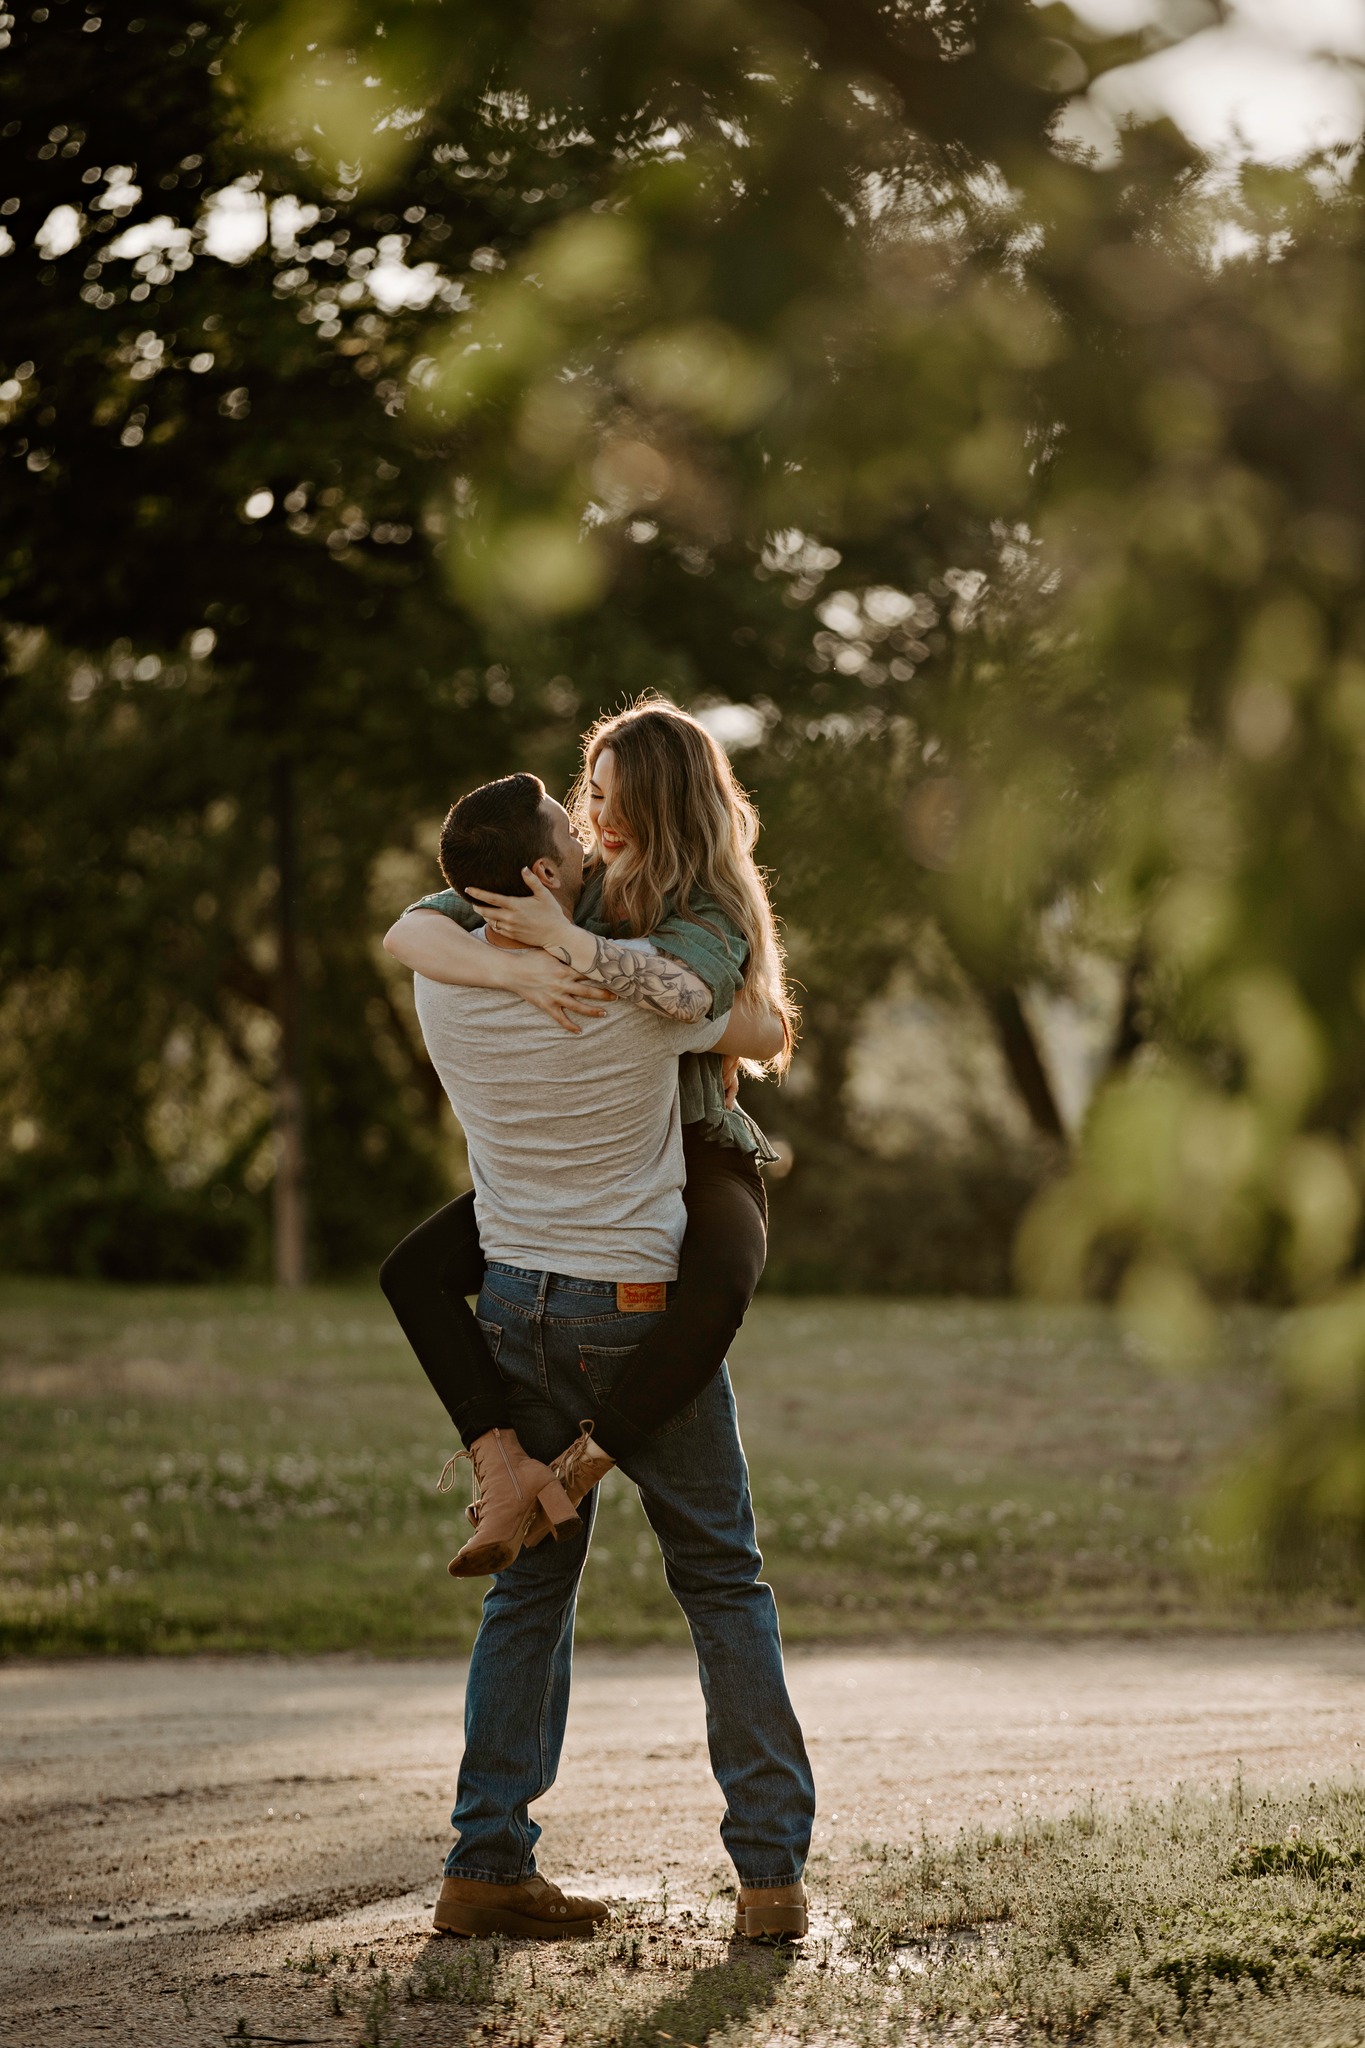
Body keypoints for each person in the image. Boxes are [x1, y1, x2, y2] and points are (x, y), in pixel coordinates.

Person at [398, 768, 815, 1942]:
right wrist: (579, 954)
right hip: (631, 1295)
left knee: (530, 1589)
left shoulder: (441, 978)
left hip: (515, 1299)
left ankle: (485, 1859)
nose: (587, 842)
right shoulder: (635, 993)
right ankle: (770, 1874)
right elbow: (754, 1021)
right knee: (723, 1579)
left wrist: (538, 944)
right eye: (569, 836)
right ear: (537, 876)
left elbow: (415, 922)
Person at [381, 699, 794, 1575]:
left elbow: (739, 1021)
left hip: (694, 1143)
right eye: (590, 794)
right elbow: (410, 927)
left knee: (720, 1278)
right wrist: (511, 968)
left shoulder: (703, 902)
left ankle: (589, 1459)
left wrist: (566, 946)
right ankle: (501, 1467)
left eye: (615, 800)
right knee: (414, 1269)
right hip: (603, 1154)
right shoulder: (573, 876)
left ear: (667, 804)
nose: (595, 818)